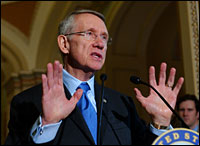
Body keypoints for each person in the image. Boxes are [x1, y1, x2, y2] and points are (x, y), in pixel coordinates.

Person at [5, 9, 184, 145]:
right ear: (64, 43)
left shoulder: (121, 104)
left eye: (104, 38)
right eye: (89, 34)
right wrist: (48, 124)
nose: (99, 44)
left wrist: (160, 124)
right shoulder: (28, 102)